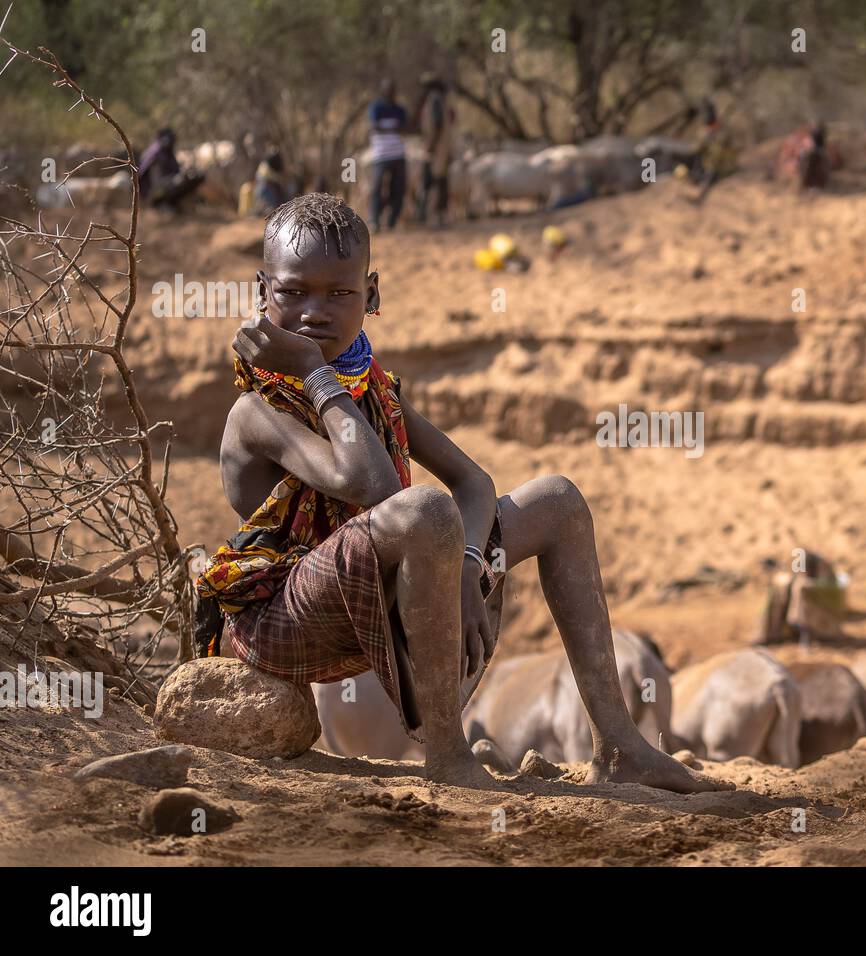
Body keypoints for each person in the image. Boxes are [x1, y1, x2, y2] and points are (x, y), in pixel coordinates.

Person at [193, 193, 728, 794]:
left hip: (379, 600)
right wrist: (315, 374)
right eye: (294, 292)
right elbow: (370, 484)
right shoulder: (258, 408)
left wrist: (469, 567)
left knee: (557, 500)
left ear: (371, 295)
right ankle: (447, 756)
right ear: (262, 290)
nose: (315, 312)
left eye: (339, 294)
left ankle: (620, 744)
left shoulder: (376, 390)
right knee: (424, 508)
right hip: (284, 620)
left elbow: (474, 482)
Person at [367, 79, 408, 231]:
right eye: (387, 89)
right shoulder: (376, 108)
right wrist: (394, 129)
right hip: (380, 154)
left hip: (398, 153)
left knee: (399, 188)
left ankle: (392, 220)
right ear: (383, 91)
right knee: (377, 187)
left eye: (392, 89)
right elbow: (373, 127)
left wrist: (390, 129)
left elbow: (405, 128)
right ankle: (375, 220)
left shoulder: (399, 109)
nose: (389, 92)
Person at [415, 75, 455, 227]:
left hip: (437, 148)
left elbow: (437, 124)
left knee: (434, 182)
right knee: (440, 181)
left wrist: (431, 145)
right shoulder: (442, 100)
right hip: (443, 147)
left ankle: (434, 216)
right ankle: (439, 216)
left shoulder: (435, 99)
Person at [137, 127, 205, 211]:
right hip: (154, 191)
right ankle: (161, 204)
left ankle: (176, 203)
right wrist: (178, 179)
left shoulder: (168, 153)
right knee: (181, 181)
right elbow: (157, 181)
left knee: (196, 177)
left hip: (165, 184)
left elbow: (176, 170)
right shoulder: (156, 155)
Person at [253, 148, 291, 215]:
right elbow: (271, 181)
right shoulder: (266, 167)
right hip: (266, 189)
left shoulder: (265, 166)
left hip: (263, 188)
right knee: (271, 209)